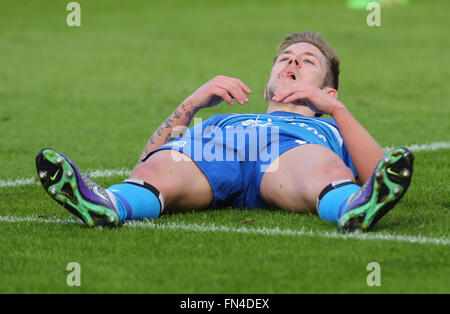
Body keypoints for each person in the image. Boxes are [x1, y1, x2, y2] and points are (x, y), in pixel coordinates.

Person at [35, 31, 414, 232]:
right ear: (268, 84)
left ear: (327, 90)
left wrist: (334, 108)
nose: (292, 61)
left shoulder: (327, 123)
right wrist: (192, 103)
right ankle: (108, 206)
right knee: (160, 167)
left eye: (307, 60)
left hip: (288, 158)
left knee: (320, 166)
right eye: (285, 58)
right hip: (219, 153)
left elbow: (380, 171)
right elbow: (143, 164)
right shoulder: (223, 121)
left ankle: (353, 208)